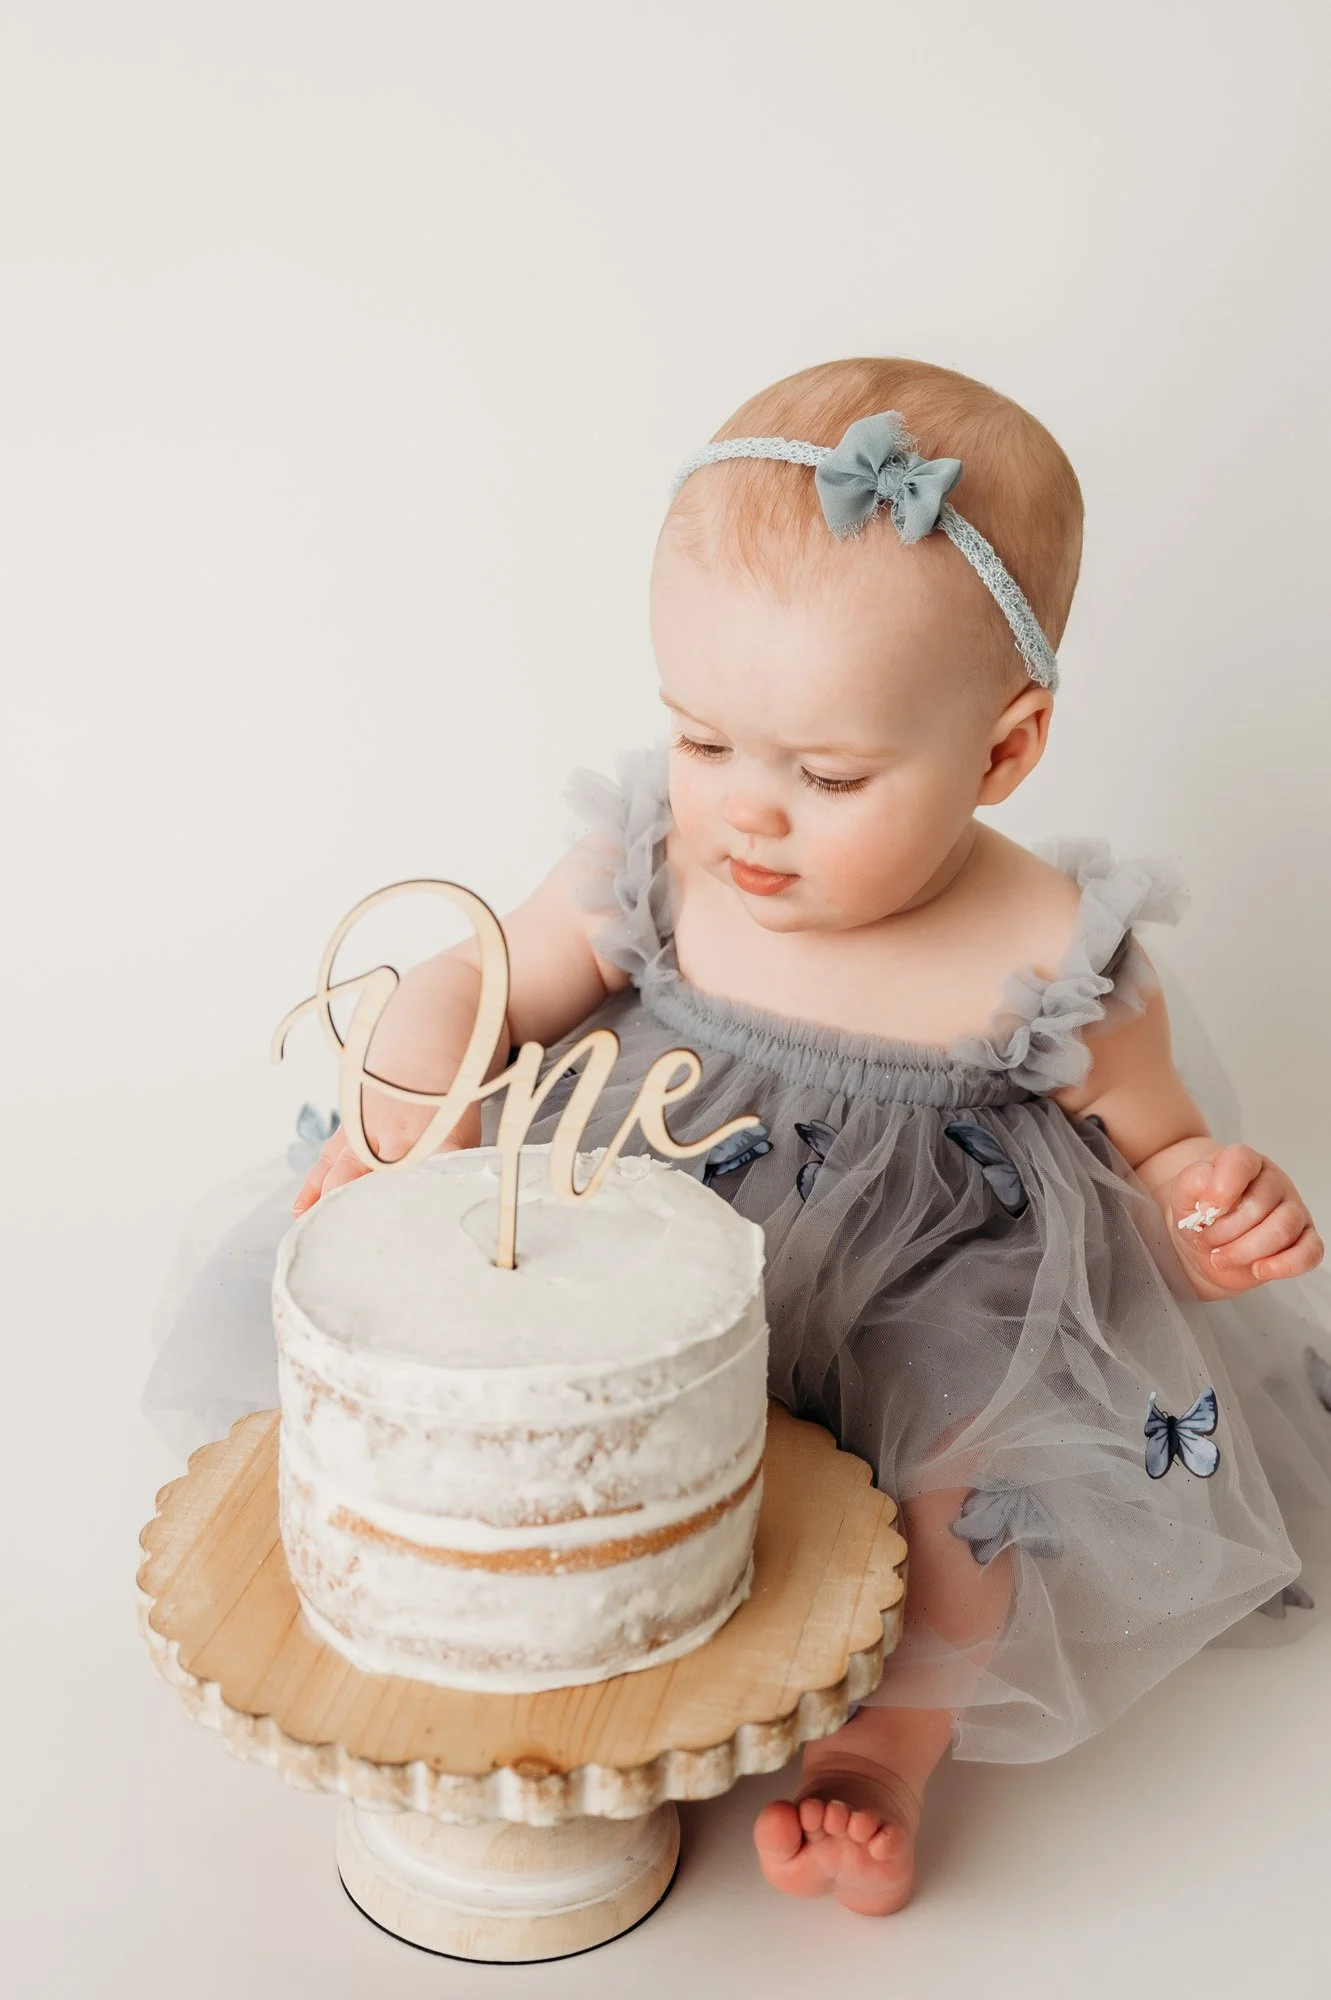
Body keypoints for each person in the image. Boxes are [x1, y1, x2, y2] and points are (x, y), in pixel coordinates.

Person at [144, 355, 1331, 1920]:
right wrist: (399, 1114)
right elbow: (469, 983)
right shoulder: (647, 863)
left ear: (1001, 749)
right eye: (704, 741)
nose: (746, 815)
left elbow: (1158, 1153)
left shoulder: (1055, 951)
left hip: (916, 1284)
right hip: (619, 1216)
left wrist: (1210, 1200)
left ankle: (880, 1753)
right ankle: (490, 1620)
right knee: (493, 1375)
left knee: (973, 1463)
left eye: (827, 775)